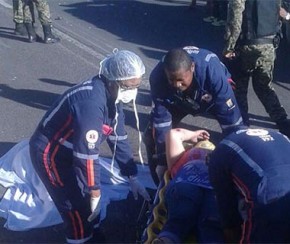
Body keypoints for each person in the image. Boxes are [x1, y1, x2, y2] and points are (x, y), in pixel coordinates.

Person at [29, 50, 151, 243]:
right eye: (129, 86)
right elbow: (87, 154)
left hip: (73, 149)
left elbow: (118, 136)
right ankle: (81, 238)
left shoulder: (113, 97)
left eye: (137, 86)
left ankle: (92, 232)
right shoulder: (91, 102)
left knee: (87, 201)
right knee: (73, 205)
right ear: (113, 80)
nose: (132, 92)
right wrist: (94, 190)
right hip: (51, 153)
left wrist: (131, 174)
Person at [144, 46, 245, 185]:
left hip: (210, 96)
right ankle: (162, 185)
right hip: (177, 101)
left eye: (180, 79)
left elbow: (231, 122)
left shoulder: (212, 72)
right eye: (171, 79)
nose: (176, 84)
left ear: (192, 67)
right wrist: (162, 161)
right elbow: (161, 120)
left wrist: (235, 162)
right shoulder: (158, 77)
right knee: (150, 136)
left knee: (237, 133)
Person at [208, 127, 290, 243]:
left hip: (271, 192)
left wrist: (231, 233)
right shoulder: (279, 135)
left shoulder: (220, 154)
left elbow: (226, 208)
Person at [222, 0, 290, 138]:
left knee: (239, 87)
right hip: (269, 45)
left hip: (247, 45)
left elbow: (235, 18)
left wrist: (228, 47)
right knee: (264, 86)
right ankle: (282, 121)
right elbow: (280, 11)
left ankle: (241, 126)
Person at [151, 128, 224, 243]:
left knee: (178, 221)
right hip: (214, 188)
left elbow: (174, 133)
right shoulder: (223, 161)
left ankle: (167, 240)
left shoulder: (185, 156)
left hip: (186, 182)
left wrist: (193, 134)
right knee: (212, 227)